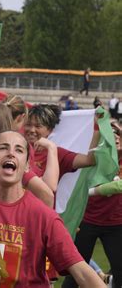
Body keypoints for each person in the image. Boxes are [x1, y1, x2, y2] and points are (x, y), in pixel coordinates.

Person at [0, 131, 106, 287]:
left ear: (28, 166)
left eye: (19, 150)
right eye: (3, 148)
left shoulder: (44, 216)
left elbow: (82, 272)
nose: (10, 153)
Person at [62, 119, 122, 288]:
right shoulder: (90, 159)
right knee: (74, 272)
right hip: (87, 221)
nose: (114, 136)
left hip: (116, 224)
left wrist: (96, 190)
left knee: (121, 272)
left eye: (118, 132)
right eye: (109, 133)